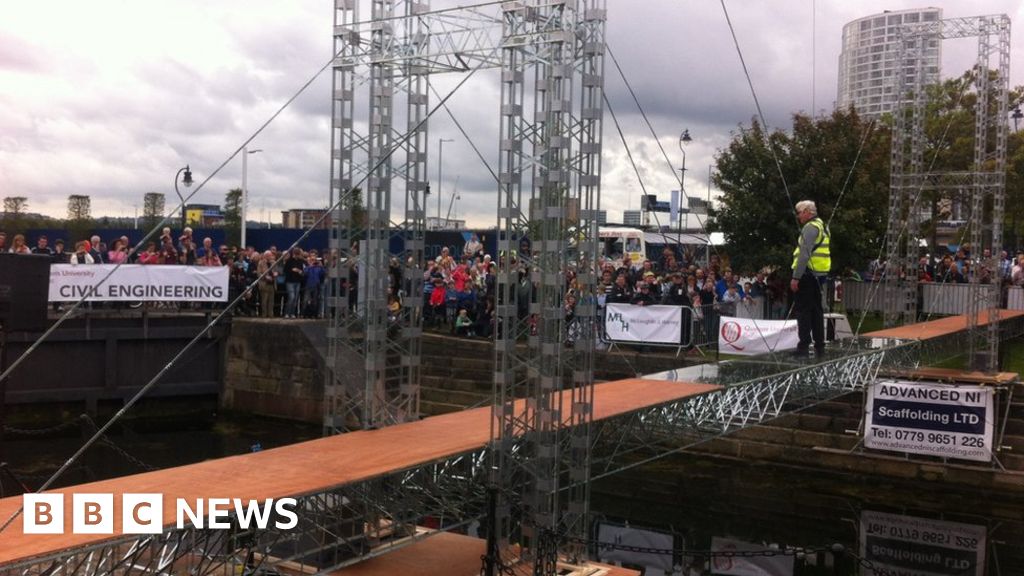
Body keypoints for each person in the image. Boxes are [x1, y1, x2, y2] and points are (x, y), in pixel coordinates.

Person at [790, 200, 830, 357]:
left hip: (807, 274)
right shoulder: (823, 226)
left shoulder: (810, 228)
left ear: (807, 212)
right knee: (816, 311)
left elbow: (804, 254)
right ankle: (820, 346)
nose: (798, 216)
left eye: (799, 212)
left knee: (804, 311)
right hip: (819, 274)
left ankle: (803, 347)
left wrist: (796, 277)